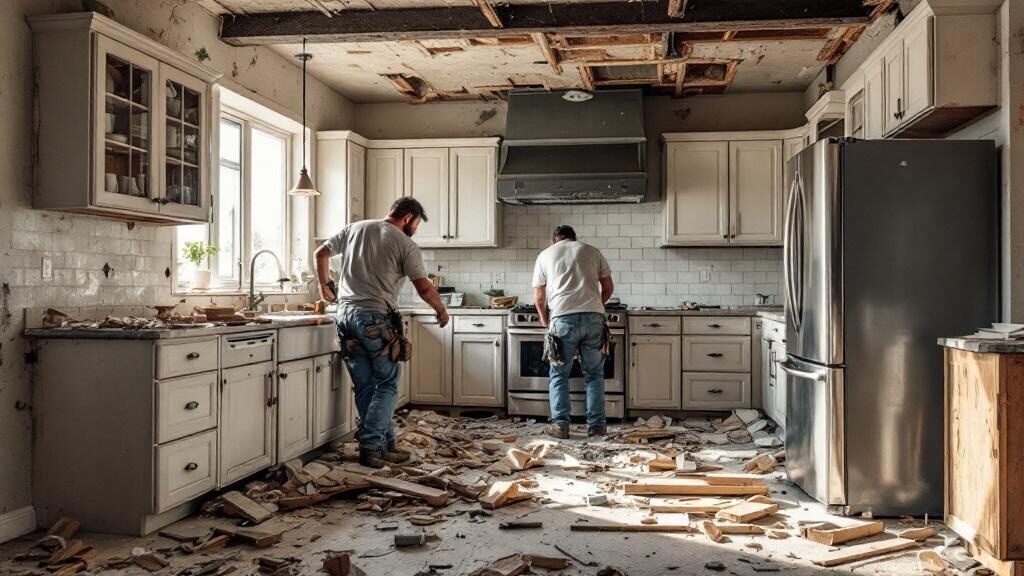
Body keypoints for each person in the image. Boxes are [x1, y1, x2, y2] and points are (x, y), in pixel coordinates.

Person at [314, 197, 449, 468]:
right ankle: (371, 446)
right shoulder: (405, 243)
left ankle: (385, 445)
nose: (416, 229)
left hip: (345, 317)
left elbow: (321, 253)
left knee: (366, 386)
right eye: (417, 223)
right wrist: (440, 308)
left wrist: (324, 284)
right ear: (409, 217)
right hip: (375, 318)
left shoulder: (355, 228)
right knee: (387, 383)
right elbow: (424, 287)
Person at [532, 225, 614, 439]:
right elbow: (608, 287)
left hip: (562, 318)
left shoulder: (545, 255)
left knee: (559, 375)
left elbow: (539, 296)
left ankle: (561, 426)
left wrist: (544, 319)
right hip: (594, 318)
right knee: (595, 375)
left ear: (554, 240)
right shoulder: (592, 251)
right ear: (574, 238)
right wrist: (597, 305)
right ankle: (596, 426)